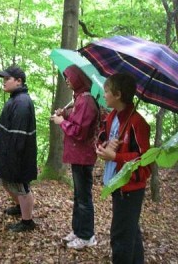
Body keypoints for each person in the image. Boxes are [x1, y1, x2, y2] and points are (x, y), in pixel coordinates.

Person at [96, 73, 151, 264]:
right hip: (115, 185)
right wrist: (103, 148)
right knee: (130, 231)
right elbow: (101, 138)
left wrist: (116, 156)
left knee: (120, 238)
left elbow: (145, 163)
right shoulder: (112, 117)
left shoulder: (138, 123)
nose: (103, 95)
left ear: (118, 94)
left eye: (106, 91)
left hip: (129, 190)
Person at [51, 64, 99, 249]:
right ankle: (78, 230)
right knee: (79, 196)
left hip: (83, 156)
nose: (67, 81)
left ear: (79, 78)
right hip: (78, 155)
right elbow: (77, 121)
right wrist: (66, 114)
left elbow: (80, 132)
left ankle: (87, 236)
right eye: (66, 78)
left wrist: (62, 122)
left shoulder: (86, 101)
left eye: (70, 77)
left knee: (83, 197)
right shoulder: (79, 99)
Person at [0, 66, 37, 232]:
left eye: (6, 79)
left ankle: (27, 221)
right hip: (6, 153)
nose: (3, 82)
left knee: (21, 187)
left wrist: (13, 160)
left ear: (19, 81)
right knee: (5, 181)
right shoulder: (15, 99)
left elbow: (19, 136)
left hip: (17, 157)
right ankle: (20, 207)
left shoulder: (22, 103)